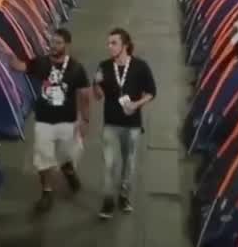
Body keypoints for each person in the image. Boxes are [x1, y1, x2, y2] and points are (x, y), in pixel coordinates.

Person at [22, 28, 90, 212]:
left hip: (68, 121)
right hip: (44, 121)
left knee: (71, 153)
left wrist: (85, 120)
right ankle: (46, 192)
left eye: (58, 42)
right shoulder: (41, 63)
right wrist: (5, 57)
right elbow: (23, 67)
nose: (53, 45)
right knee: (43, 158)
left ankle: (68, 168)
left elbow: (84, 95)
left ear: (67, 45)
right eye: (52, 41)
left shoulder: (76, 68)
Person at [92, 28, 156, 219]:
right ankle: (108, 201)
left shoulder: (140, 67)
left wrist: (136, 104)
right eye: (109, 43)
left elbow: (151, 92)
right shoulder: (104, 66)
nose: (109, 46)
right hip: (111, 124)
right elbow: (97, 97)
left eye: (114, 43)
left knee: (129, 163)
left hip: (132, 125)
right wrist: (96, 84)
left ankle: (124, 195)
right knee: (109, 164)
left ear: (125, 45)